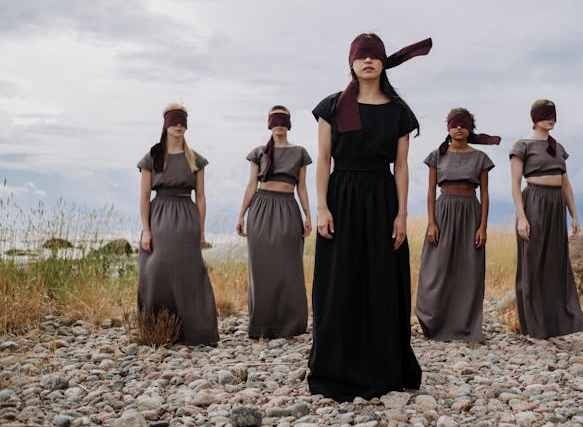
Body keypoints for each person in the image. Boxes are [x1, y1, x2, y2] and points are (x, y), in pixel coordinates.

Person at [308, 33, 430, 401]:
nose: (368, 62)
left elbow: (402, 167)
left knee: (380, 280)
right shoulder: (331, 106)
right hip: (341, 198)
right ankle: (336, 364)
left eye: (375, 56)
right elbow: (324, 159)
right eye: (362, 56)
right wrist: (322, 207)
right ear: (352, 62)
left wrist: (402, 214)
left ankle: (381, 365)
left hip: (381, 199)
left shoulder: (397, 111)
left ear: (383, 62)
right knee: (339, 281)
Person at [137, 103, 219, 346]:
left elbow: (201, 197)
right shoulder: (152, 158)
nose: (178, 125)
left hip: (187, 218)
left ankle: (196, 332)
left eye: (182, 121)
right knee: (155, 272)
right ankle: (157, 330)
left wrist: (201, 229)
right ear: (165, 124)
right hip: (159, 215)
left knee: (189, 274)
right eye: (174, 121)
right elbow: (143, 196)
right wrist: (146, 230)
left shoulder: (196, 160)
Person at [416, 108, 500, 342]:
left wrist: (483, 226)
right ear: (448, 128)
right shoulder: (437, 155)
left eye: (463, 124)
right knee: (437, 269)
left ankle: (466, 327)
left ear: (469, 128)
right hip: (443, 213)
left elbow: (485, 194)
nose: (459, 128)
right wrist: (431, 222)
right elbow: (431, 190)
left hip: (470, 213)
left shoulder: (480, 158)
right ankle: (434, 323)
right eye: (455, 124)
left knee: (468, 270)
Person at [509, 99, 583, 345]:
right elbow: (515, 184)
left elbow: (565, 183)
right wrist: (522, 216)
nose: (550, 119)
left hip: (556, 206)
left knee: (554, 265)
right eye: (544, 115)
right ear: (534, 117)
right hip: (534, 204)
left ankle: (551, 329)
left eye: (552, 115)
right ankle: (533, 330)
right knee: (533, 266)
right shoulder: (522, 145)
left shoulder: (558, 147)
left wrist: (574, 215)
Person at [236, 105, 313, 338]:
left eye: (283, 119)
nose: (279, 124)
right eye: (274, 119)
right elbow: (252, 185)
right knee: (261, 269)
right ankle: (263, 325)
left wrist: (308, 215)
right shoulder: (259, 152)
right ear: (269, 123)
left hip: (288, 207)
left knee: (289, 267)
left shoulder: (300, 152)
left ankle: (290, 324)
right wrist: (241, 215)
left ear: (289, 123)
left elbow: (302, 187)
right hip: (260, 208)